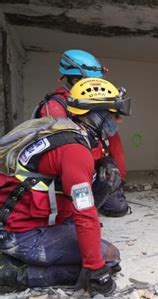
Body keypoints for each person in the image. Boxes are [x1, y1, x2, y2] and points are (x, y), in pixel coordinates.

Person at [0, 77, 131, 295]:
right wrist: (96, 270)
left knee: (91, 242)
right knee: (109, 258)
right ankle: (13, 273)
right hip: (18, 233)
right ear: (96, 114)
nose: (119, 121)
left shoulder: (62, 129)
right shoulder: (74, 149)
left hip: (15, 219)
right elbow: (84, 210)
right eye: (114, 114)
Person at [31, 49, 129, 218]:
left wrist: (118, 178)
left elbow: (113, 141)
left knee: (118, 208)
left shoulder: (93, 101)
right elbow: (59, 152)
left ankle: (91, 199)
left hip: (95, 167)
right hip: (69, 171)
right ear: (75, 79)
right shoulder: (56, 107)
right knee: (77, 213)